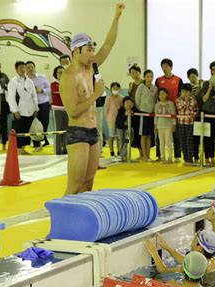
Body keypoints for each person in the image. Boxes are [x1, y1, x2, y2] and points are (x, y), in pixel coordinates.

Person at [60, 3, 125, 195]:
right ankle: (63, 222)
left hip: (93, 132)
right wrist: (97, 94)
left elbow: (109, 44)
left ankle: (81, 223)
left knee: (88, 184)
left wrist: (117, 16)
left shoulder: (90, 67)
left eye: (92, 50)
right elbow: (73, 111)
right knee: (75, 185)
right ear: (76, 51)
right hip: (77, 132)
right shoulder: (69, 76)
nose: (92, 54)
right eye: (88, 50)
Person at [144, 230, 215, 274]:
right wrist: (168, 248)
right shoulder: (212, 259)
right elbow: (185, 260)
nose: (191, 242)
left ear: (199, 247)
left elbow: (164, 271)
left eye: (193, 240)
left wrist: (154, 253)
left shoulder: (195, 266)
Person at [155, 59, 184, 162]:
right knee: (160, 137)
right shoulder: (158, 80)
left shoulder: (178, 80)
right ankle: (160, 156)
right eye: (162, 66)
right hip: (162, 110)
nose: (164, 68)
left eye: (166, 66)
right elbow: (156, 96)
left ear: (171, 67)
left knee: (175, 134)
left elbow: (181, 95)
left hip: (174, 110)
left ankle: (176, 156)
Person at [7, 61, 38, 155]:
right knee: (19, 131)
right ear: (16, 69)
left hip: (30, 110)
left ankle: (24, 148)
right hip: (20, 111)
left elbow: (34, 95)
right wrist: (15, 110)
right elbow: (11, 97)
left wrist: (36, 108)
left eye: (24, 68)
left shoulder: (29, 81)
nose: (22, 70)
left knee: (27, 131)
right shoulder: (13, 82)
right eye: (20, 68)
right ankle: (18, 149)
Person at [26, 61, 51, 151]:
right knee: (33, 125)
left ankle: (44, 140)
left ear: (34, 67)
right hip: (31, 105)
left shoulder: (42, 77)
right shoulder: (25, 80)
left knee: (44, 123)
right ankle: (37, 144)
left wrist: (42, 90)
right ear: (26, 69)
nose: (30, 69)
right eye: (28, 67)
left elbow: (49, 89)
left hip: (43, 103)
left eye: (31, 66)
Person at [135, 70, 157, 161]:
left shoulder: (155, 88)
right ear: (144, 77)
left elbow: (156, 100)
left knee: (149, 135)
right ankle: (144, 155)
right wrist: (141, 109)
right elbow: (137, 100)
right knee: (143, 135)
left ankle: (148, 155)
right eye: (147, 76)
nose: (149, 79)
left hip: (151, 114)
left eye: (151, 77)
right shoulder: (140, 87)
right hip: (143, 113)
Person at [175, 84, 198, 166]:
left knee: (189, 141)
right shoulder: (178, 100)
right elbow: (180, 108)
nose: (184, 93)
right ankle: (185, 159)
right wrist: (187, 102)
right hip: (181, 123)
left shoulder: (193, 100)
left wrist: (194, 114)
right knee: (183, 141)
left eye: (187, 91)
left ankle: (190, 159)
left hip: (190, 123)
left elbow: (195, 110)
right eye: (183, 91)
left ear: (190, 92)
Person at [154, 88, 176, 164]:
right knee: (161, 142)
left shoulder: (170, 103)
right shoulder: (157, 105)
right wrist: (155, 125)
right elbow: (156, 116)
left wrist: (174, 124)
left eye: (163, 93)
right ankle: (162, 157)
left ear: (166, 94)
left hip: (168, 125)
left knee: (168, 142)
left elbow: (173, 114)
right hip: (160, 126)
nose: (162, 96)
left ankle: (170, 157)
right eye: (160, 94)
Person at [50, 65, 68, 155]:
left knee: (66, 130)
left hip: (67, 109)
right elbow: (59, 92)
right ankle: (57, 150)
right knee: (58, 130)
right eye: (59, 72)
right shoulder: (53, 84)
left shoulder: (68, 83)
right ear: (55, 74)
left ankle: (65, 149)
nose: (61, 74)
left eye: (63, 72)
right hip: (57, 109)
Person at [127, 64, 144, 159]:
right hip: (135, 110)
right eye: (132, 73)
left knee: (143, 132)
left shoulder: (144, 82)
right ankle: (140, 153)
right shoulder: (131, 84)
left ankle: (145, 153)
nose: (134, 75)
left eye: (135, 72)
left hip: (143, 110)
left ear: (139, 73)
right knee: (136, 131)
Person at [187, 68, 202, 163]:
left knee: (203, 136)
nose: (193, 77)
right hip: (192, 116)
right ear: (188, 77)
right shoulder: (187, 87)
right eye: (191, 76)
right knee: (194, 137)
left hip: (202, 114)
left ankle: (204, 157)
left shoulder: (202, 85)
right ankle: (195, 157)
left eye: (194, 75)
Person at [104, 82, 123, 157]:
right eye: (113, 88)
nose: (115, 89)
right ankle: (112, 152)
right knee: (111, 135)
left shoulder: (122, 98)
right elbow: (106, 109)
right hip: (111, 120)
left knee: (118, 136)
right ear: (111, 89)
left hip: (119, 120)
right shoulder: (108, 98)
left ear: (119, 89)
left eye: (117, 88)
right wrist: (107, 118)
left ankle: (119, 152)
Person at [115, 96, 135, 162]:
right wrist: (125, 115)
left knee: (128, 140)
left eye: (131, 102)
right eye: (127, 102)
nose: (129, 104)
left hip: (129, 128)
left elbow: (135, 121)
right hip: (120, 128)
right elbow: (118, 121)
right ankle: (122, 156)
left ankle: (124, 155)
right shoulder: (121, 110)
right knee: (121, 141)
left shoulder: (134, 110)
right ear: (123, 104)